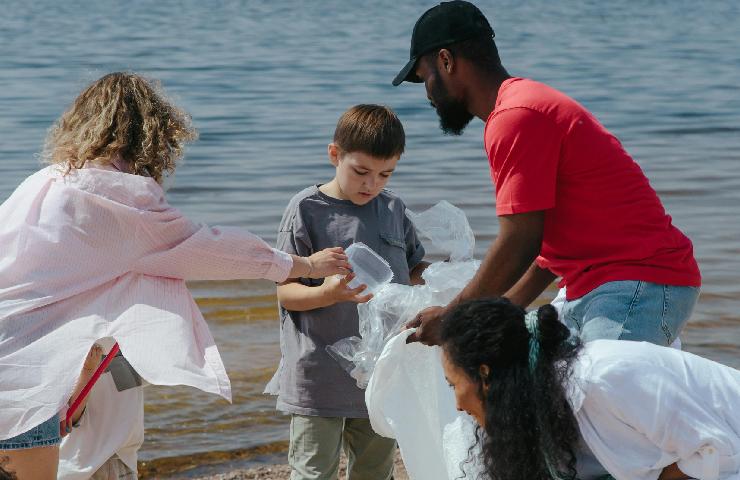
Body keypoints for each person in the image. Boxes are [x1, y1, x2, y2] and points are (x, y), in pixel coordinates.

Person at [0, 72, 350, 480]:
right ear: (151, 136)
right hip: (20, 380)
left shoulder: (41, 182)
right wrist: (302, 265)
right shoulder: (114, 197)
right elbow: (206, 249)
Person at [393, 1, 701, 346]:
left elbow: (520, 239)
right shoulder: (518, 107)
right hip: (594, 283)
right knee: (541, 392)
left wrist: (453, 316)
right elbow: (547, 249)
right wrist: (503, 310)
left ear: (446, 61)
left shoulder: (516, 116)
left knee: (599, 395)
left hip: (638, 281)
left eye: (424, 78)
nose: (427, 95)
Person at [271, 104, 429, 480]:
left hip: (380, 373)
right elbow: (285, 293)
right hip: (317, 375)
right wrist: (328, 293)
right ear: (334, 155)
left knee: (376, 471)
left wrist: (441, 285)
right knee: (313, 472)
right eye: (360, 171)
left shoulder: (392, 208)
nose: (371, 184)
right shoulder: (307, 209)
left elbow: (416, 269)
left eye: (385, 174)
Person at [440, 298, 740, 480]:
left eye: (453, 385)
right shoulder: (547, 402)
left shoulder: (604, 377)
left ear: (485, 374)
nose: (457, 405)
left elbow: (715, 449)